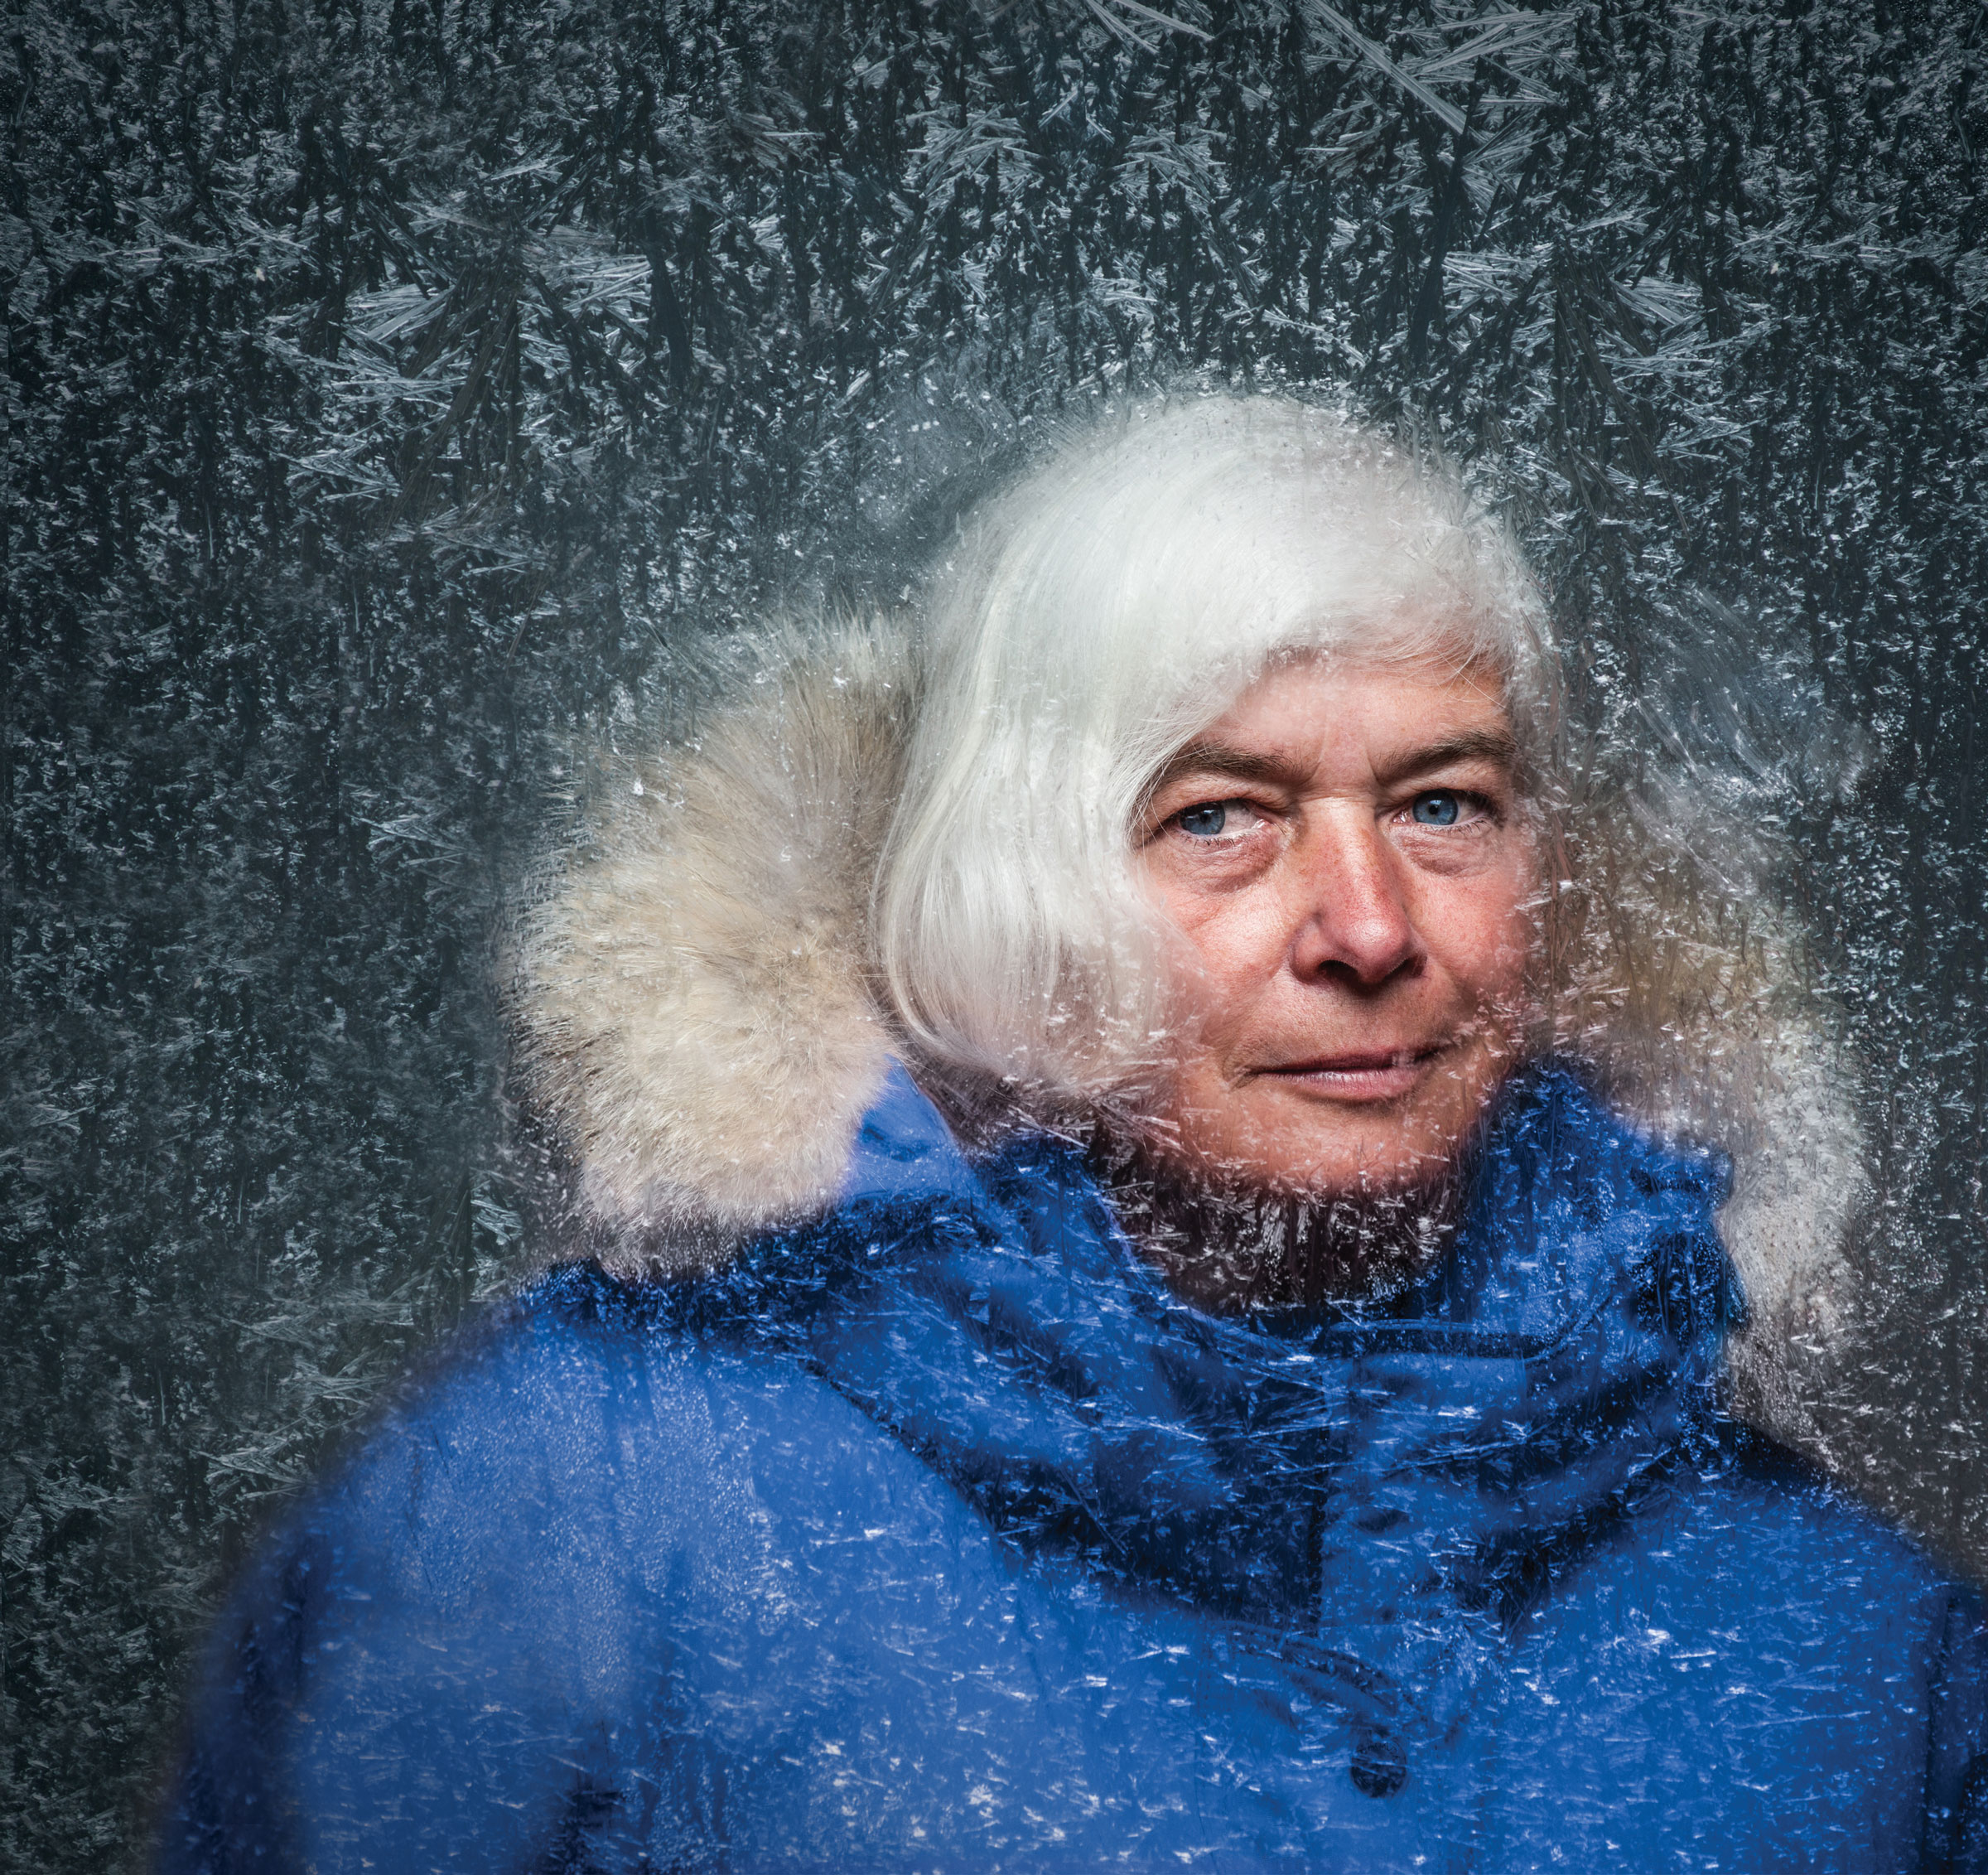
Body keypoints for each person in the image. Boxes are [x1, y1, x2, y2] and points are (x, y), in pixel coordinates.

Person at [160, 396, 1988, 1872]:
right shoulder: (577, 1500)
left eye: (1443, 803)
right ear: (1010, 894)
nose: (1366, 926)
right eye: (1221, 816)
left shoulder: (1847, 1634)